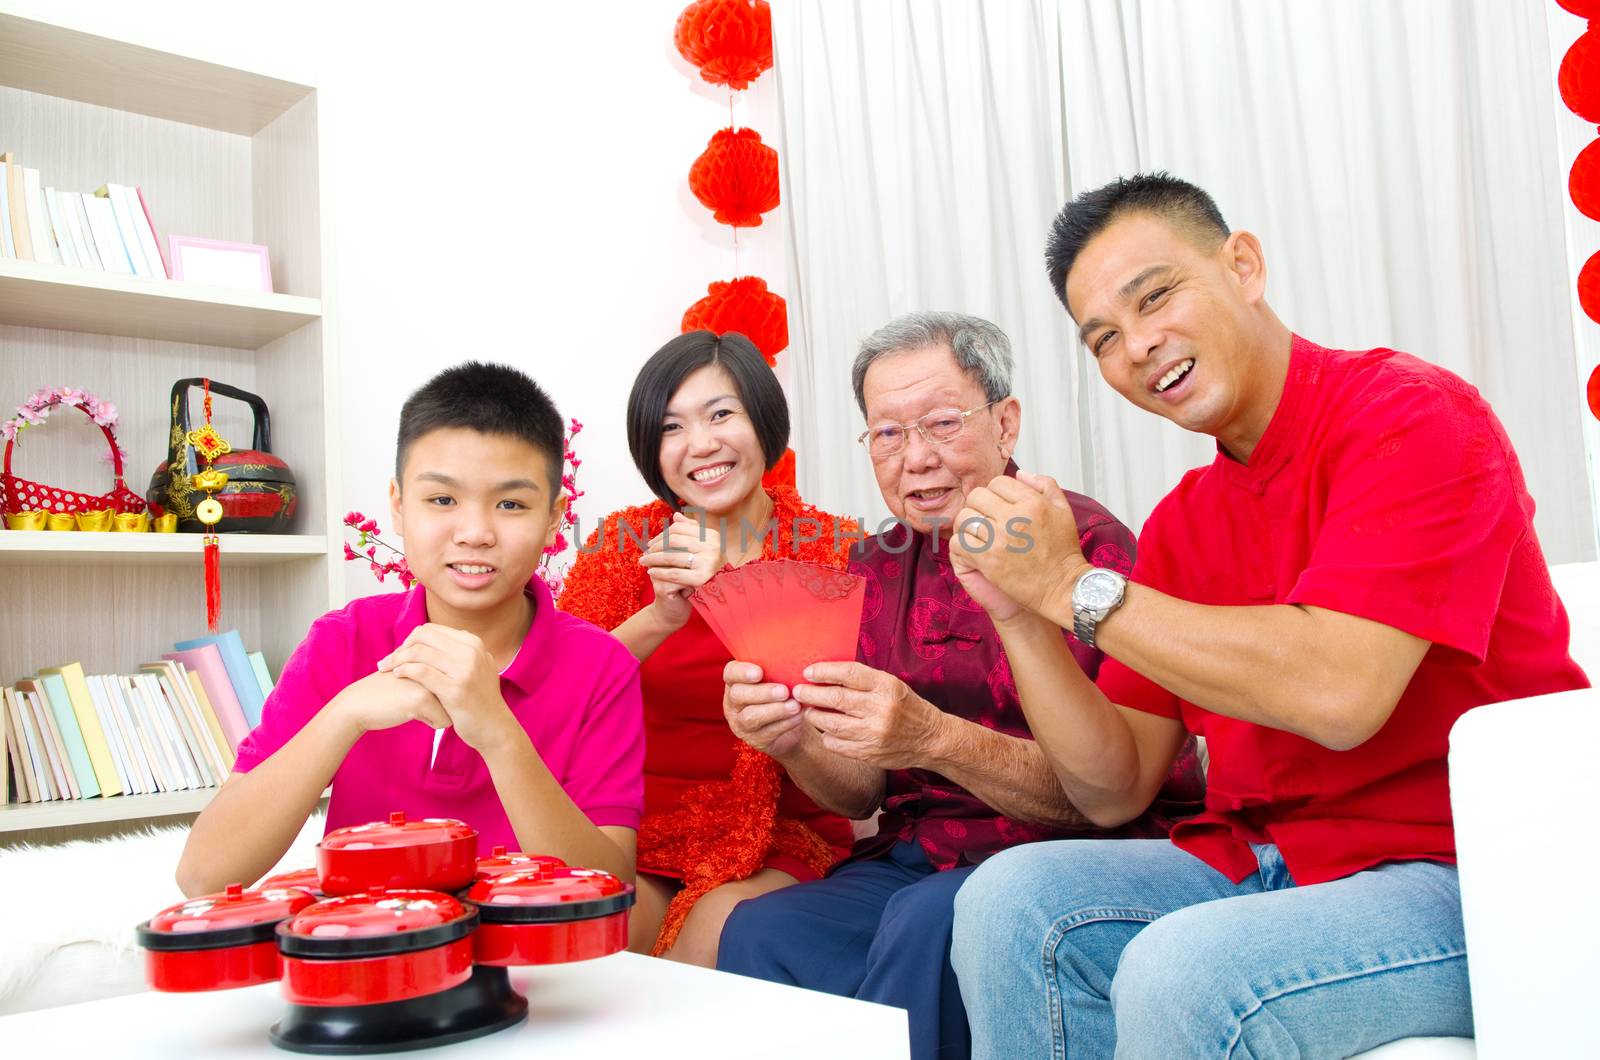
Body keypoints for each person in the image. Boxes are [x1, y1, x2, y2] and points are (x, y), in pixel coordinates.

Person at [948, 173, 1591, 1057]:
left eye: (1156, 295)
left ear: (1243, 265)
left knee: (1186, 971)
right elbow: (1115, 785)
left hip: (1468, 875)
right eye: (1104, 337)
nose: (1139, 345)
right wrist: (1022, 615)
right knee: (1008, 902)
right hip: (1271, 863)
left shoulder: (1411, 415)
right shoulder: (1184, 519)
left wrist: (1067, 584)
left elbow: (1340, 692)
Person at [715, 312, 1203, 1060]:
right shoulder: (874, 565)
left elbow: (1100, 799)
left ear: (1006, 424)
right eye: (886, 434)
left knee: (924, 925)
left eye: (943, 423)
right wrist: (795, 742)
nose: (915, 459)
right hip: (919, 854)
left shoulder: (1085, 547)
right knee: (764, 930)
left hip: (1059, 855)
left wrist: (934, 737)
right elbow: (861, 795)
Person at [177, 362, 643, 896]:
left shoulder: (602, 667)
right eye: (442, 500)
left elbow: (612, 901)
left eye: (511, 504)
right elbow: (203, 875)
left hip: (532, 972)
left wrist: (498, 734)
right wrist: (345, 714)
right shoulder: (343, 640)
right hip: (368, 962)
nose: (474, 533)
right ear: (398, 506)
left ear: (555, 517)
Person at [557, 331, 857, 967]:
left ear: (764, 420)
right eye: (671, 428)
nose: (701, 445)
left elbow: (857, 746)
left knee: (712, 939)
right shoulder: (621, 544)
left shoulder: (834, 551)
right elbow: (560, 696)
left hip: (777, 833)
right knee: (590, 940)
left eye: (722, 414)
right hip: (638, 830)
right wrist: (659, 615)